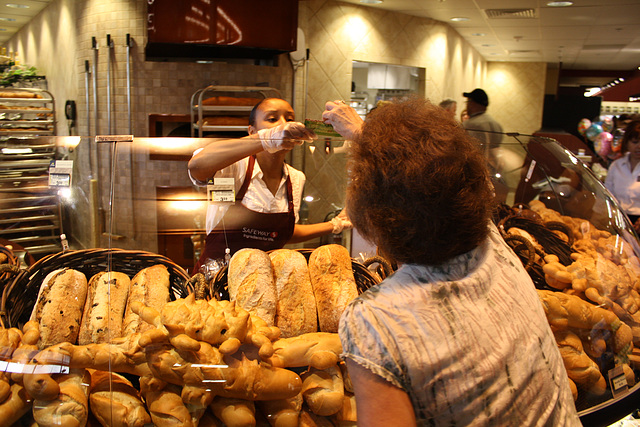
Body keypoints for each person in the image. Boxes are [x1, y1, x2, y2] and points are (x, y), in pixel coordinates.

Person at [322, 97, 580, 426]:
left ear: (374, 212)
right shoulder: (495, 248)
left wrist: (366, 139)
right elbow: (449, 182)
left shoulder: (375, 318)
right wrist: (364, 134)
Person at [188, 98, 352, 273]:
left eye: (289, 119)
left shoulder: (296, 178)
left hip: (262, 284)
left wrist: (336, 224)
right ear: (252, 131)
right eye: (272, 119)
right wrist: (267, 139)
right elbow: (197, 166)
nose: (283, 125)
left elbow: (280, 233)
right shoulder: (234, 169)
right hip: (217, 279)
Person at [604, 120, 640, 231]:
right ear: (627, 143)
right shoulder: (616, 166)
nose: (639, 147)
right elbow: (607, 195)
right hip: (619, 221)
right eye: (635, 142)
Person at [462, 88, 503, 154]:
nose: (467, 106)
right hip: (492, 162)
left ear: (472, 104)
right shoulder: (496, 124)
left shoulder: (469, 124)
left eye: (468, 102)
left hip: (476, 162)